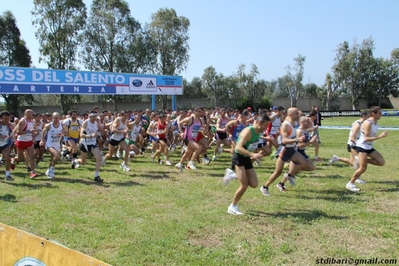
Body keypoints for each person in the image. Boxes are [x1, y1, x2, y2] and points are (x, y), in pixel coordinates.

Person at [260, 108, 312, 196]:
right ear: (291, 115)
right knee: (278, 172)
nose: (299, 115)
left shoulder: (294, 123)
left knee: (304, 163)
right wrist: (297, 139)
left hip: (291, 149)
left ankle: (290, 175)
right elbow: (284, 141)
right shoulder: (286, 125)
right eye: (296, 113)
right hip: (284, 150)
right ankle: (264, 187)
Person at [225, 113, 271, 215]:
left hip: (246, 158)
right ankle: (232, 206)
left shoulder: (258, 132)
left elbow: (254, 145)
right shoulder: (248, 131)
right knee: (244, 185)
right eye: (265, 125)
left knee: (254, 184)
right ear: (259, 123)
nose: (266, 128)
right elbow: (238, 148)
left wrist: (259, 151)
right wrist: (252, 155)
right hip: (239, 158)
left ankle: (233, 174)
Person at [346, 106, 387, 192]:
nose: (381, 115)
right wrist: (380, 136)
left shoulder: (375, 122)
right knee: (362, 168)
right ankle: (350, 184)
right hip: (362, 147)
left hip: (369, 147)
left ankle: (360, 160)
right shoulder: (368, 123)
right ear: (373, 114)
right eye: (379, 113)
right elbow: (366, 138)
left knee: (381, 162)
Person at [11, 109, 38, 179]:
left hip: (29, 141)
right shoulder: (22, 121)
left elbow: (35, 132)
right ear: (27, 114)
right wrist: (29, 131)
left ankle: (32, 172)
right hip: (21, 141)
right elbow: (18, 132)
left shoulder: (32, 121)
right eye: (32, 114)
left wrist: (34, 135)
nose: (33, 115)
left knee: (32, 156)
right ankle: (13, 160)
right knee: (20, 158)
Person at [78, 112, 104, 182]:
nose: (94, 118)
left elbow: (101, 130)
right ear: (89, 116)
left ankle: (96, 175)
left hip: (93, 143)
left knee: (98, 158)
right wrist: (90, 136)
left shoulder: (96, 123)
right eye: (93, 117)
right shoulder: (85, 123)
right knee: (83, 162)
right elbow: (81, 135)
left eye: (95, 116)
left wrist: (102, 130)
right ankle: (75, 161)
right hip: (85, 143)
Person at [40, 112, 63, 179]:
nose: (57, 119)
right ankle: (52, 170)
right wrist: (42, 140)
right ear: (52, 118)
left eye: (58, 118)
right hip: (49, 144)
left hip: (57, 144)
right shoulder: (49, 125)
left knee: (53, 158)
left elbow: (65, 131)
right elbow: (43, 131)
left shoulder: (61, 125)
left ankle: (49, 171)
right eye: (55, 118)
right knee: (57, 155)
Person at [0, 111, 14, 181]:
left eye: (8, 118)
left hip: (5, 144)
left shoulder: (9, 125)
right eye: (5, 118)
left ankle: (7, 175)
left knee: (8, 158)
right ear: (1, 118)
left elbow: (11, 133)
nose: (7, 120)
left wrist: (10, 136)